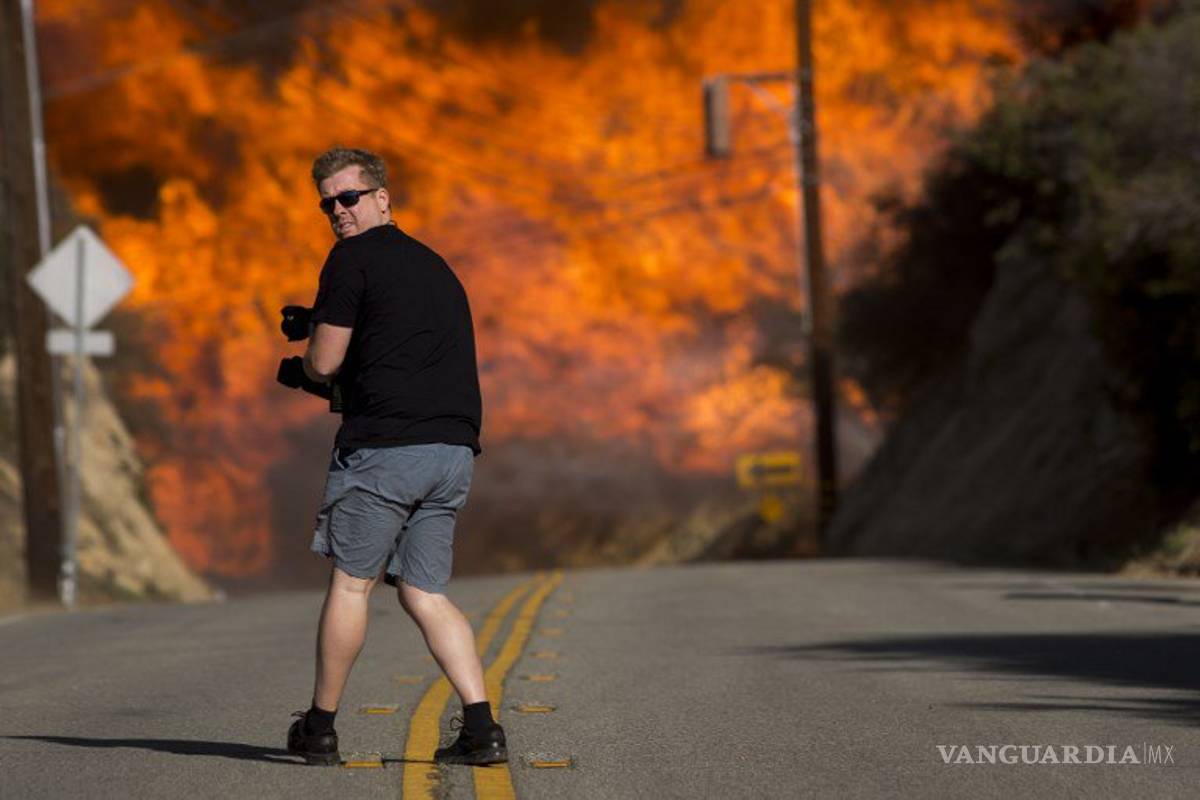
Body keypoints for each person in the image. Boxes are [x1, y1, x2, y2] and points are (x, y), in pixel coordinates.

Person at [275, 146, 503, 766]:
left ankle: (318, 728)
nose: (337, 211)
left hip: (385, 451)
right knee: (424, 592)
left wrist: (300, 370)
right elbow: (397, 351)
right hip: (452, 451)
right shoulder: (434, 266)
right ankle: (482, 729)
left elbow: (326, 362)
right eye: (328, 203)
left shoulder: (351, 260)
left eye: (348, 197)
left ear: (381, 197)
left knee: (352, 585)